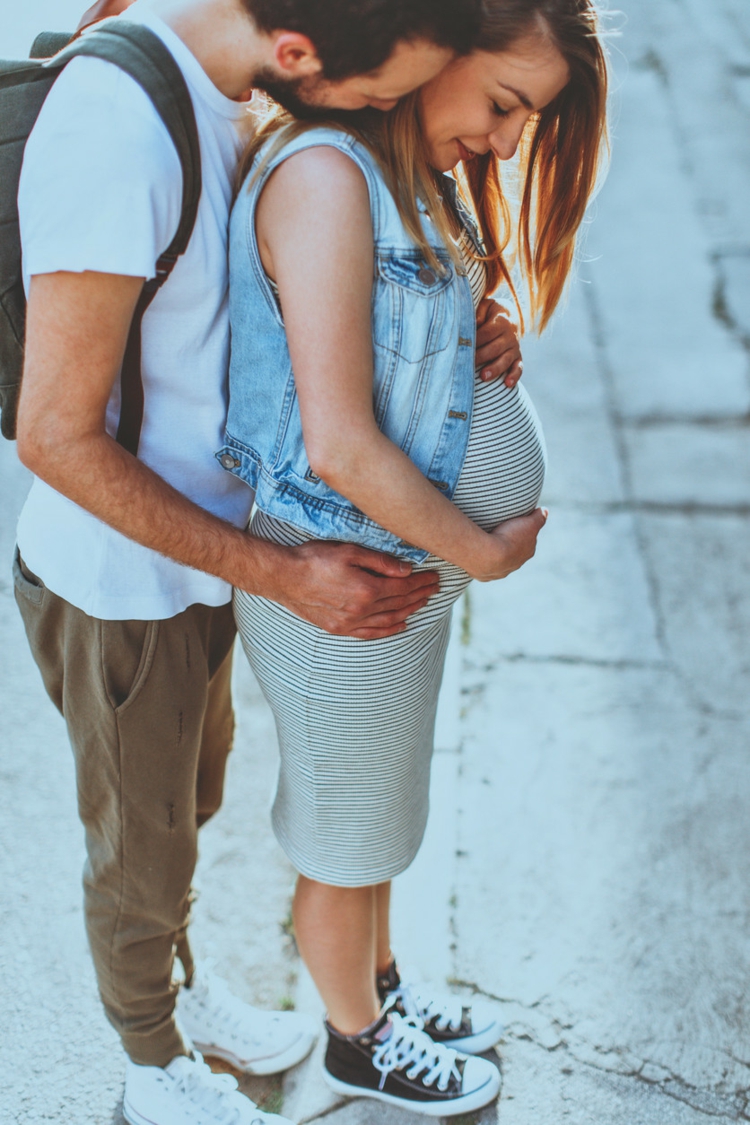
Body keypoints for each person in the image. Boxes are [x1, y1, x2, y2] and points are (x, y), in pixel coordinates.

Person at [10, 2, 517, 1124]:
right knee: (138, 843)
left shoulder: (235, 68)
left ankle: (182, 997)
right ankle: (151, 1066)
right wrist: (284, 573)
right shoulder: (119, 131)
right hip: (120, 579)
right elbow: (57, 433)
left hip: (197, 558)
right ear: (299, 59)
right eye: (379, 98)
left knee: (186, 802)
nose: (383, 122)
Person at [225, 0, 609, 1115]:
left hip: (400, 568)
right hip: (340, 569)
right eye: (503, 104)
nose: (503, 141)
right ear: (439, 50)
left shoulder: (412, 182)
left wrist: (483, 326)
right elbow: (341, 443)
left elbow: (405, 361)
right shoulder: (325, 181)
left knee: (383, 807)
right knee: (346, 830)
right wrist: (481, 555)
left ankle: (381, 991)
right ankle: (356, 1046)